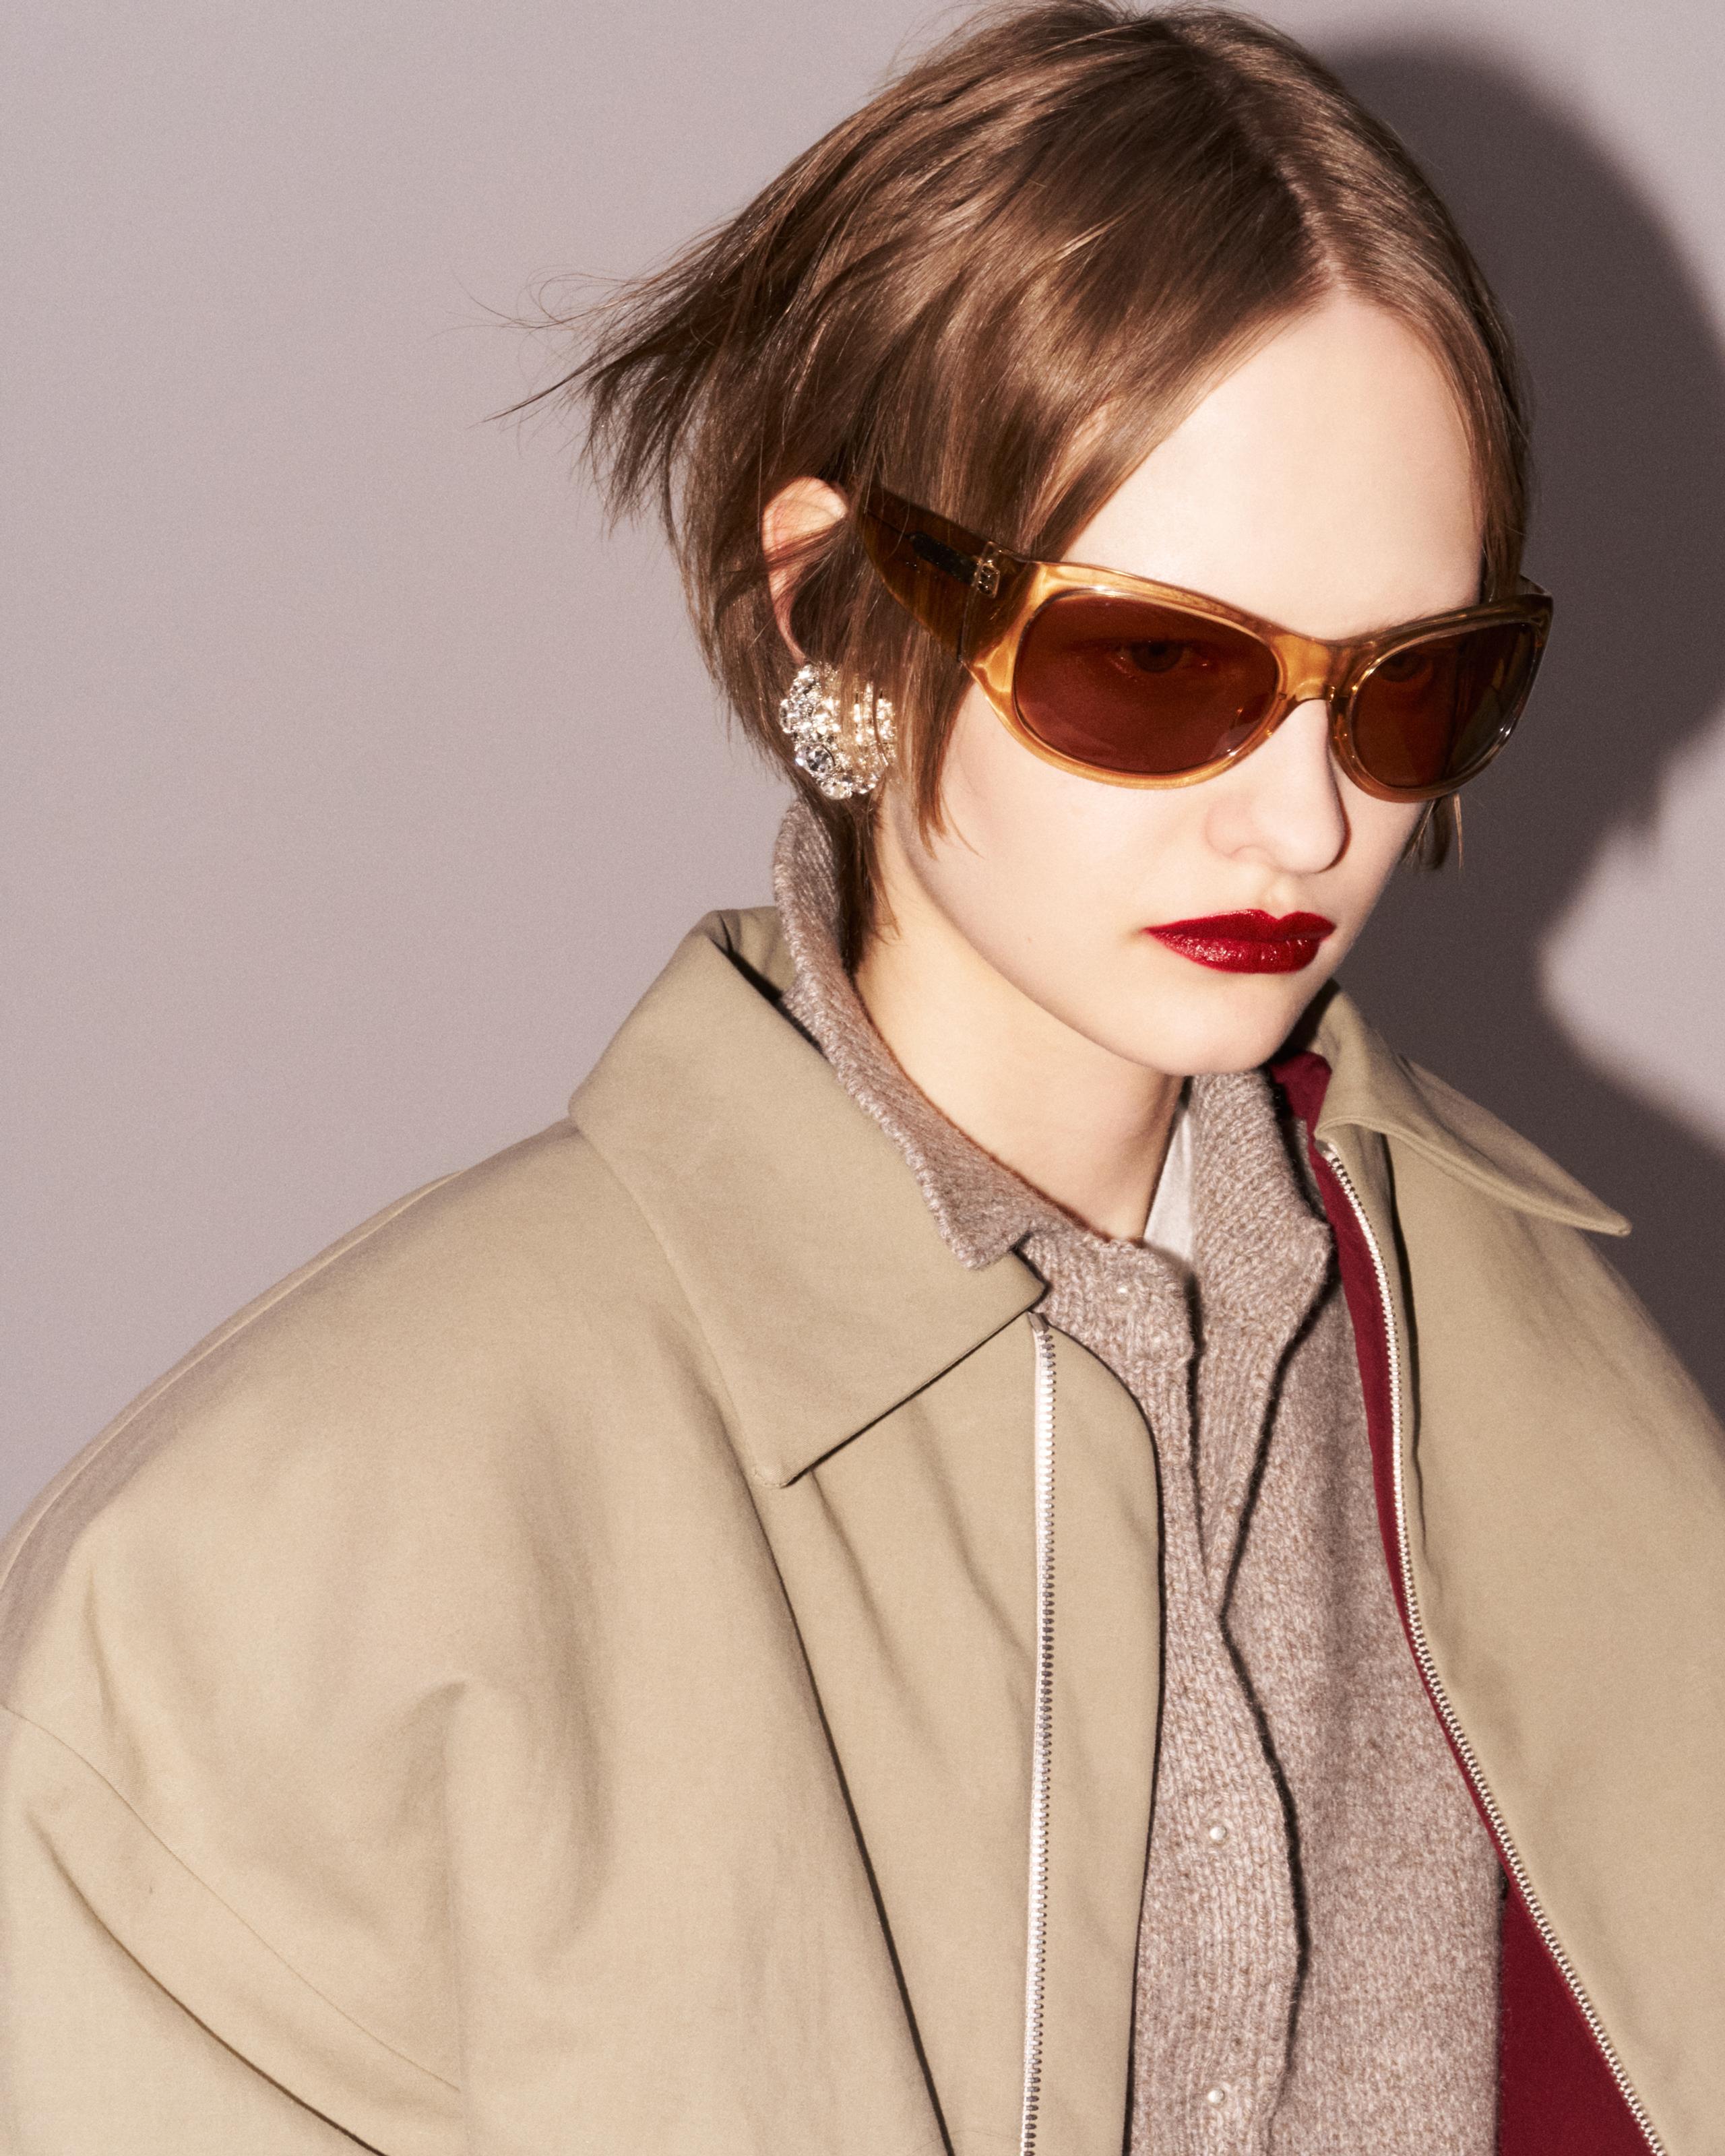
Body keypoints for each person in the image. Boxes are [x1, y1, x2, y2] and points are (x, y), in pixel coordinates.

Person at [0, 5, 1718, 2151]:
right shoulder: (278, 1574)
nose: (1304, 820)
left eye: (1408, 687)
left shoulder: (1571, 1408)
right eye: (1157, 663)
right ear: (833, 606)